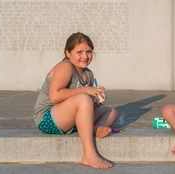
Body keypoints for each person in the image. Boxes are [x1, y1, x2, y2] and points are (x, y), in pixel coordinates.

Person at [34, 32, 118, 169]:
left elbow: (83, 103)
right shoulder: (65, 67)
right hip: (48, 118)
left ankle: (91, 129)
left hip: (68, 117)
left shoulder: (88, 73)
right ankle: (89, 155)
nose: (85, 56)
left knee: (111, 111)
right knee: (83, 99)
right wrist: (86, 91)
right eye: (79, 52)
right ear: (68, 53)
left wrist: (97, 99)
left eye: (89, 52)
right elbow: (55, 96)